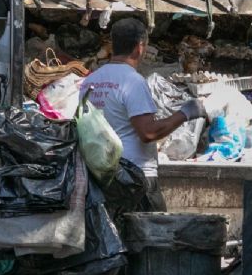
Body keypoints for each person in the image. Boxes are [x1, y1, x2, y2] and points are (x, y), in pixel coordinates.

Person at [80, 18, 208, 211]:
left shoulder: (91, 81)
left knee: (116, 237)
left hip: (102, 175)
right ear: (140, 47)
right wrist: (185, 113)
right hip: (135, 177)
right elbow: (148, 133)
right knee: (154, 236)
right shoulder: (133, 82)